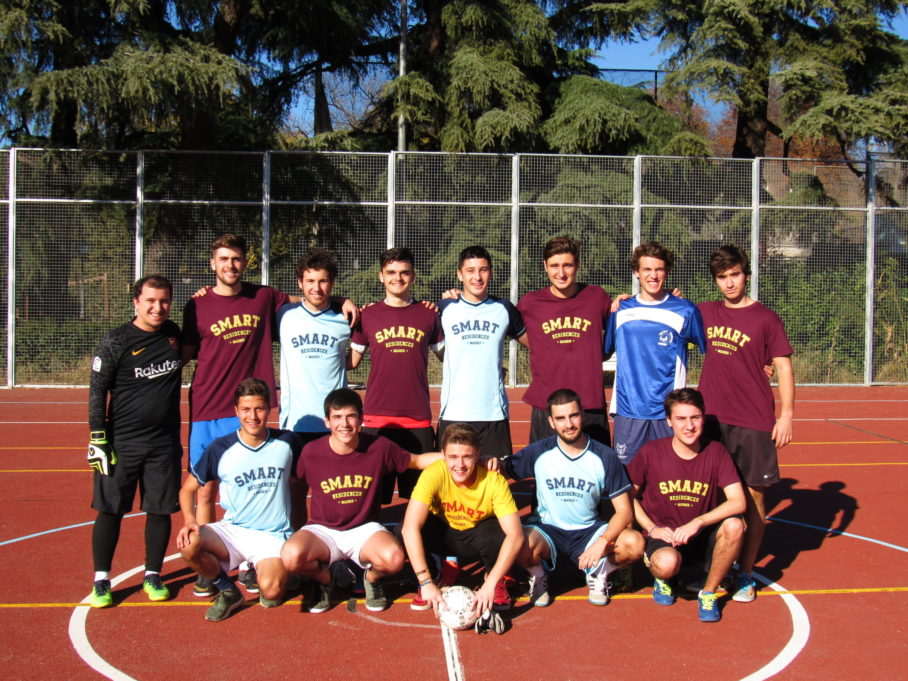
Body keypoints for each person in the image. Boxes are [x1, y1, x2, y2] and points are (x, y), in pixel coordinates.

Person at [182, 234, 354, 595]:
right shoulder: (196, 306)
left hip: (253, 408)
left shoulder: (265, 299)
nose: (231, 265)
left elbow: (310, 296)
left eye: (237, 259)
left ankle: (299, 555)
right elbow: (185, 351)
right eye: (223, 259)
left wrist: (341, 299)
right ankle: (215, 563)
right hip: (211, 405)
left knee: (301, 488)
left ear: (246, 262)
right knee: (208, 486)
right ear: (212, 263)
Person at [280, 388, 442, 613]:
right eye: (337, 417)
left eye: (350, 416)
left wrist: (461, 457)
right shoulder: (311, 452)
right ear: (327, 421)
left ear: (361, 419)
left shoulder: (378, 447)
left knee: (394, 558)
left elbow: (417, 461)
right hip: (323, 530)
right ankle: (325, 579)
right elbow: (289, 482)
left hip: (365, 529)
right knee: (290, 556)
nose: (344, 424)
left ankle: (372, 579)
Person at [697, 245, 795, 603]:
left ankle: (746, 572)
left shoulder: (766, 319)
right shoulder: (705, 312)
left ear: (747, 275)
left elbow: (783, 366)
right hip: (710, 420)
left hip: (753, 421)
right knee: (710, 495)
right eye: (722, 277)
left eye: (734, 275)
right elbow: (668, 311)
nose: (729, 283)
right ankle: (709, 564)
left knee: (753, 498)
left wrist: (785, 415)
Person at [86, 275, 183, 608]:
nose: (158, 307)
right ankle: (101, 579)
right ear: (136, 302)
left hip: (163, 444)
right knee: (110, 510)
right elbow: (98, 389)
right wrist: (97, 435)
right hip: (122, 443)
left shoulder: (173, 335)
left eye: (164, 301)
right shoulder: (116, 341)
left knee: (159, 511)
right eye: (151, 301)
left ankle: (152, 574)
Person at [177, 378, 301, 621]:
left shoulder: (287, 442)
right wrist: (190, 520)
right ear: (236, 411)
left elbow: (303, 481)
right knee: (189, 543)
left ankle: (276, 569)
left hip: (272, 535)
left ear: (269, 409)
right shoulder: (220, 448)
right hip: (233, 531)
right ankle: (228, 590)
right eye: (245, 409)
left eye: (259, 408)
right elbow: (186, 490)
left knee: (272, 592)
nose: (252, 416)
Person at [507, 389, 644, 607]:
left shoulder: (604, 456)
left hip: (589, 531)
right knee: (515, 540)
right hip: (547, 529)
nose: (569, 424)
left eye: (573, 416)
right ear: (551, 422)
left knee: (634, 543)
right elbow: (502, 470)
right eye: (561, 418)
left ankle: (599, 573)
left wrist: (602, 542)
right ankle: (539, 576)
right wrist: (483, 461)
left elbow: (624, 511)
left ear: (582, 415)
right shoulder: (539, 452)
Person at [628, 388, 746, 622]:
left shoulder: (716, 452)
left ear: (703, 417)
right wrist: (652, 528)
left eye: (695, 417)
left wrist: (698, 522)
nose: (689, 426)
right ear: (669, 421)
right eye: (681, 419)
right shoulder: (651, 452)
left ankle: (709, 592)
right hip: (665, 535)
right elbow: (626, 497)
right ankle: (664, 578)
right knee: (666, 563)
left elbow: (738, 501)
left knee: (735, 525)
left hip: (700, 535)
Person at [350, 247, 444, 504]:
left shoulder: (429, 314)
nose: (397, 278)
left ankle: (419, 544)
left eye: (404, 272)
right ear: (381, 276)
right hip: (377, 418)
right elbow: (352, 362)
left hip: (417, 418)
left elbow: (449, 358)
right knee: (373, 498)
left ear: (413, 276)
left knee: (421, 499)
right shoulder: (367, 315)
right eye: (391, 272)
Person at [401, 423, 523, 617]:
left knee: (500, 534)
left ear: (477, 455)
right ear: (443, 455)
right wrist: (425, 581)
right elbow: (409, 528)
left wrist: (490, 583)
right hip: (444, 535)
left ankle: (497, 580)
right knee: (406, 530)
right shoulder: (433, 473)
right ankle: (434, 578)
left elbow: (515, 535)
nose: (459, 465)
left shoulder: (494, 480)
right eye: (453, 457)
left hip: (478, 536)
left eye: (467, 456)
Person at [605, 240, 706, 464]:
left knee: (669, 478)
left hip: (670, 412)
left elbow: (712, 349)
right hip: (629, 409)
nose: (653, 275)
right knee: (628, 481)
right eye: (647, 269)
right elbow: (602, 350)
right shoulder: (620, 310)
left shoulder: (685, 310)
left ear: (667, 272)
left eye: (659, 269)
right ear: (636, 273)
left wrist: (758, 362)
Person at [517, 236, 612, 445]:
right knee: (544, 472)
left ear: (577, 265)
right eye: (554, 266)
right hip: (547, 406)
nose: (561, 273)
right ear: (545, 266)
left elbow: (619, 326)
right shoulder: (530, 303)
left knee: (596, 473)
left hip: (589, 404)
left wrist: (664, 295)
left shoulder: (597, 298)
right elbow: (506, 325)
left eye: (567, 265)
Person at [437, 245, 528, 459]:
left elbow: (538, 345)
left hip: (493, 413)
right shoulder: (443, 309)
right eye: (470, 270)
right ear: (459, 274)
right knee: (453, 485)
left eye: (483, 270)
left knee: (496, 484)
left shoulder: (504, 309)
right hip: (454, 413)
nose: (477, 277)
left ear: (491, 273)